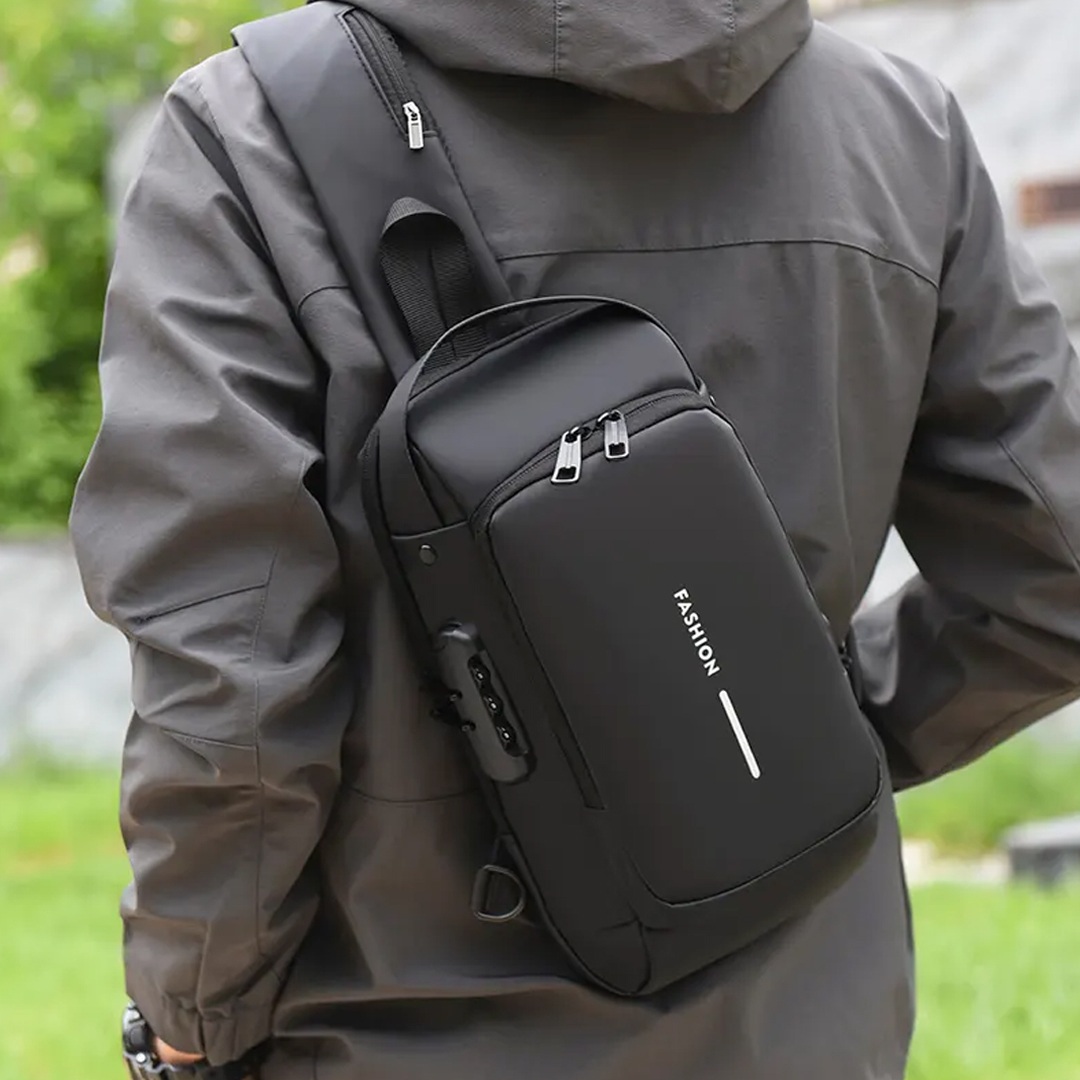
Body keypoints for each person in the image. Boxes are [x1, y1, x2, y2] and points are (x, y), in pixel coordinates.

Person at [71, 1, 1080, 1078]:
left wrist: (189, 1017)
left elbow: (231, 690)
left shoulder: (253, 131)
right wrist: (787, 738)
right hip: (814, 1022)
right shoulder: (897, 128)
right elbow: (1056, 570)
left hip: (394, 1031)